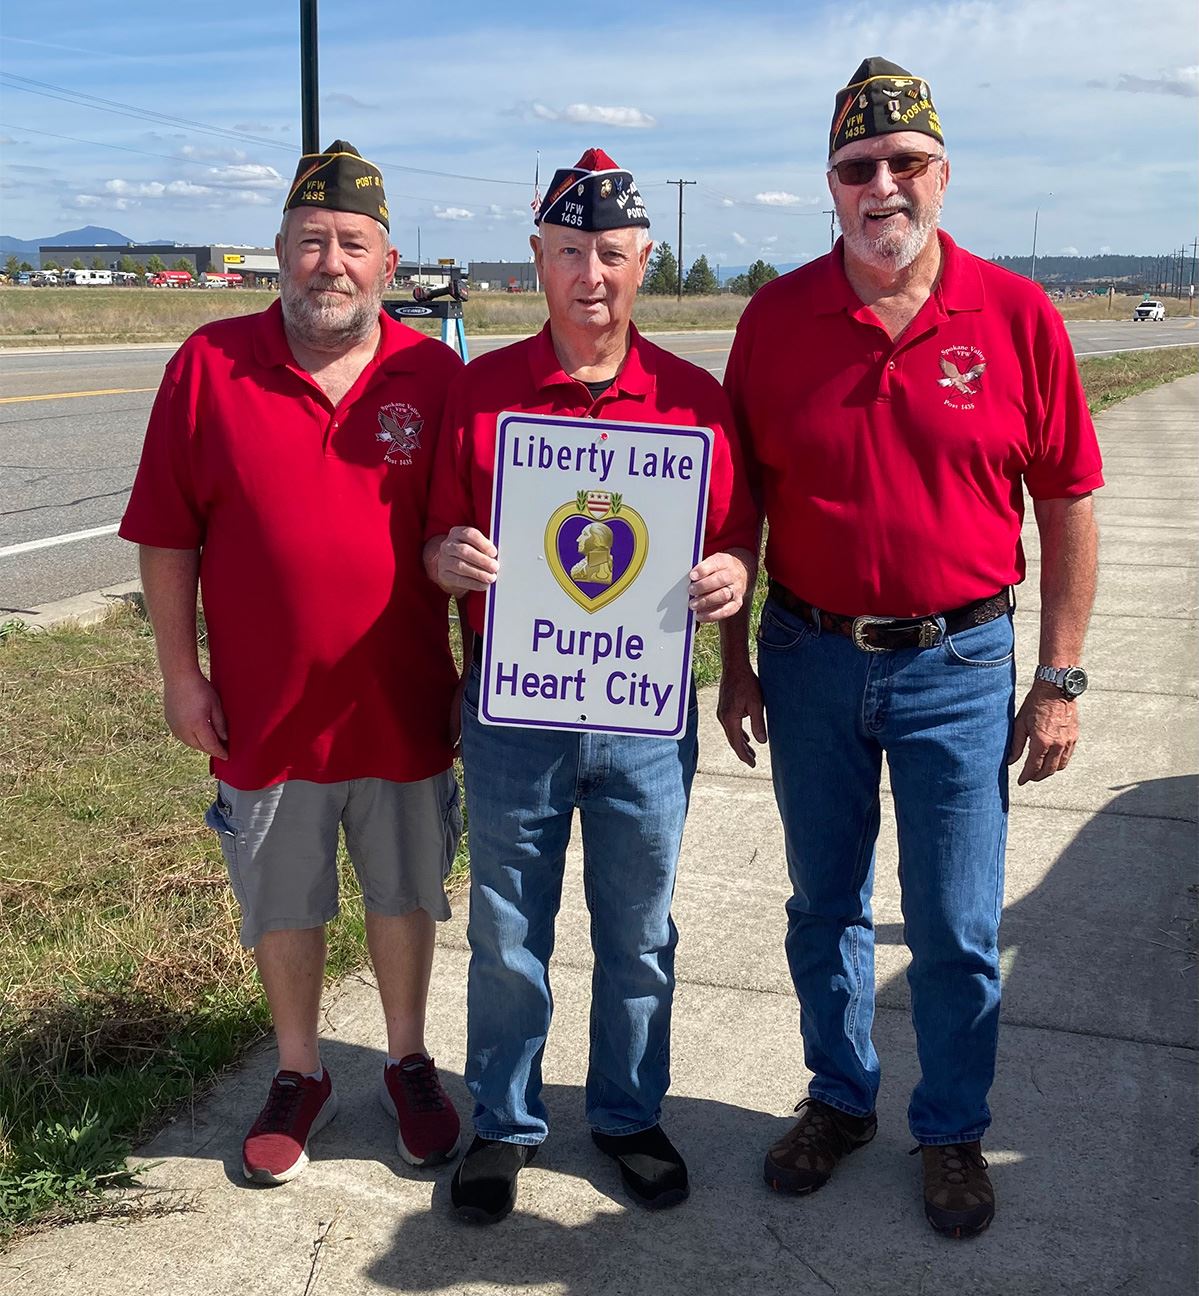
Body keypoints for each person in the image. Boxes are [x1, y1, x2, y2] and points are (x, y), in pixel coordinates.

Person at [719, 59, 1103, 1238]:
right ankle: (839, 1101)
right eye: (856, 167)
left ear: (943, 173)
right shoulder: (775, 320)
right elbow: (735, 509)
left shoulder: (1015, 316)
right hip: (809, 653)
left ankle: (949, 1128)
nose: (880, 184)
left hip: (959, 664)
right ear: (828, 184)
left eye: (904, 162)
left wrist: (1057, 678)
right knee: (822, 903)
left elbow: (1067, 502)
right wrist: (732, 661)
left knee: (955, 923)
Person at [120, 140, 465, 1186]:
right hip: (264, 710)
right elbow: (166, 537)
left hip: (401, 702)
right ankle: (300, 1069)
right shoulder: (209, 365)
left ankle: (406, 1060)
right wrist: (182, 676)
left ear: (388, 262)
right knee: (283, 898)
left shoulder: (434, 377)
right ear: (278, 252)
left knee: (405, 891)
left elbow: (472, 537)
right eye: (311, 241)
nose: (331, 263)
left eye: (353, 244)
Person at [424, 148, 757, 1224]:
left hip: (642, 723)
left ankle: (625, 1113)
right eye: (569, 253)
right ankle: (505, 1120)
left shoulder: (695, 402)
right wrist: (446, 559)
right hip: (514, 712)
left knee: (639, 935)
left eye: (611, 253)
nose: (591, 275)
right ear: (537, 260)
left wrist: (732, 577)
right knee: (505, 932)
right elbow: (433, 535)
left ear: (643, 260)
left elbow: (737, 536)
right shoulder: (480, 394)